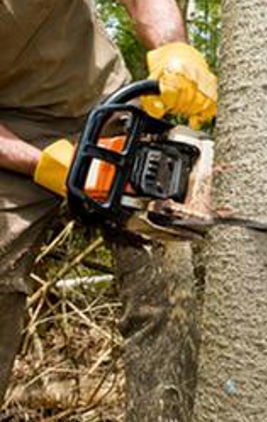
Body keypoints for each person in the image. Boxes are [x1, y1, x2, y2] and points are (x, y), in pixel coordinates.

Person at [0, 0, 217, 420]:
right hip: (11, 140)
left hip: (103, 107)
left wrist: (173, 48)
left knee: (166, 270)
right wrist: (39, 162)